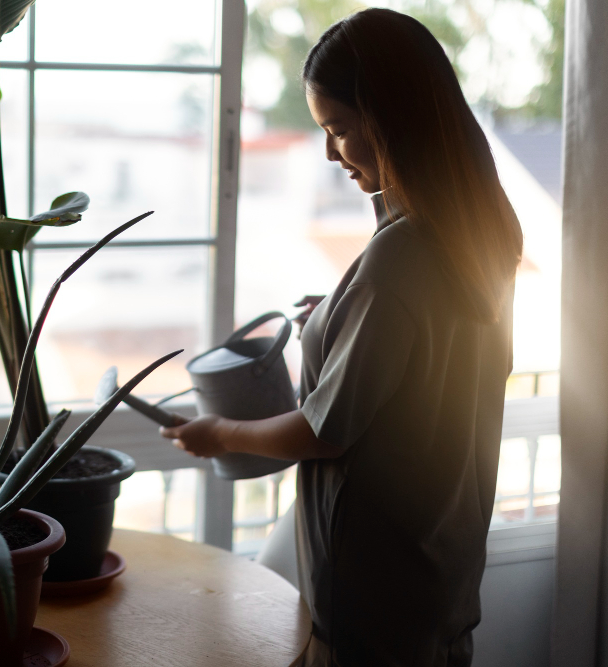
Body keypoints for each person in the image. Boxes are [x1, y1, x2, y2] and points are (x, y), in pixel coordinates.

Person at [161, 8, 522, 666]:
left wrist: (220, 434)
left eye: (341, 129)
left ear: (394, 118)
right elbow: (422, 359)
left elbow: (323, 430)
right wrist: (334, 315)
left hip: (371, 602)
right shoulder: (482, 232)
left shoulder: (399, 258)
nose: (331, 152)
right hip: (437, 583)